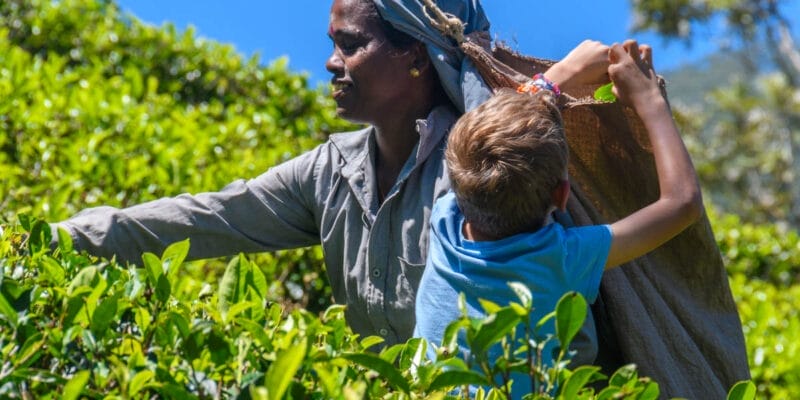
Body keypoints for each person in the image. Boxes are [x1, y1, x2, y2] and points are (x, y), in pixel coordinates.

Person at [50, 0, 609, 346]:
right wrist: (53, 241)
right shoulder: (329, 173)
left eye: (351, 44)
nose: (331, 62)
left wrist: (551, 85)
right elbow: (205, 219)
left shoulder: (479, 172)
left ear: (417, 56)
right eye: (332, 43)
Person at [414, 40, 703, 396]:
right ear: (562, 196)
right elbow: (683, 203)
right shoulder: (557, 259)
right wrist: (650, 100)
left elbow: (487, 147)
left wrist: (558, 77)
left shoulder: (444, 219)